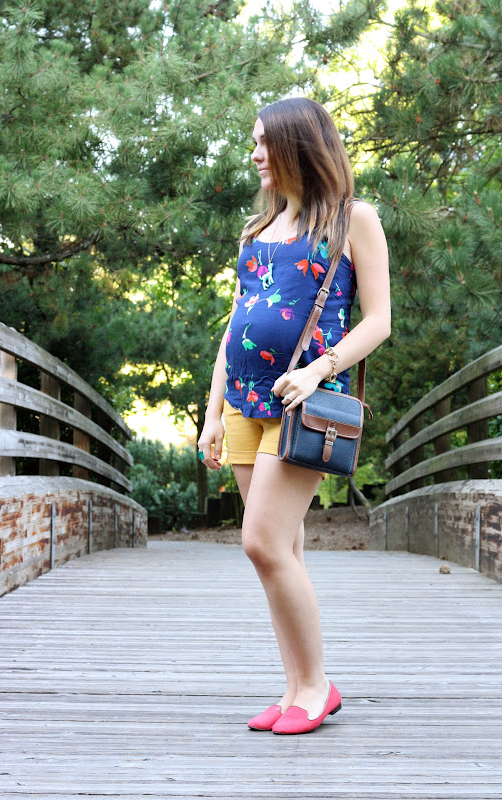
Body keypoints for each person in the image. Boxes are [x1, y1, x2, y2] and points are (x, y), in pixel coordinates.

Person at [197, 97, 390, 735]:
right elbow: (234, 326)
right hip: (243, 404)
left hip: (301, 406)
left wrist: (317, 370)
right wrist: (212, 413)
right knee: (284, 552)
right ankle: (295, 688)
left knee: (262, 543)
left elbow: (379, 322)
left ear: (298, 146)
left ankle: (317, 685)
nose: (255, 154)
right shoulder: (257, 230)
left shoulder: (352, 219)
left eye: (264, 143)